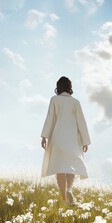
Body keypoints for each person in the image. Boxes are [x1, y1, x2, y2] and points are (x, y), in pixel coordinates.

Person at [40, 76, 91, 204]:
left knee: (60, 168)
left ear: (58, 87)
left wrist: (44, 136)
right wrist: (85, 140)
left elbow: (50, 118)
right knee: (71, 166)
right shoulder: (75, 102)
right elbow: (82, 122)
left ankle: (63, 199)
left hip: (57, 138)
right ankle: (69, 189)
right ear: (69, 87)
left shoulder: (54, 100)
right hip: (72, 139)